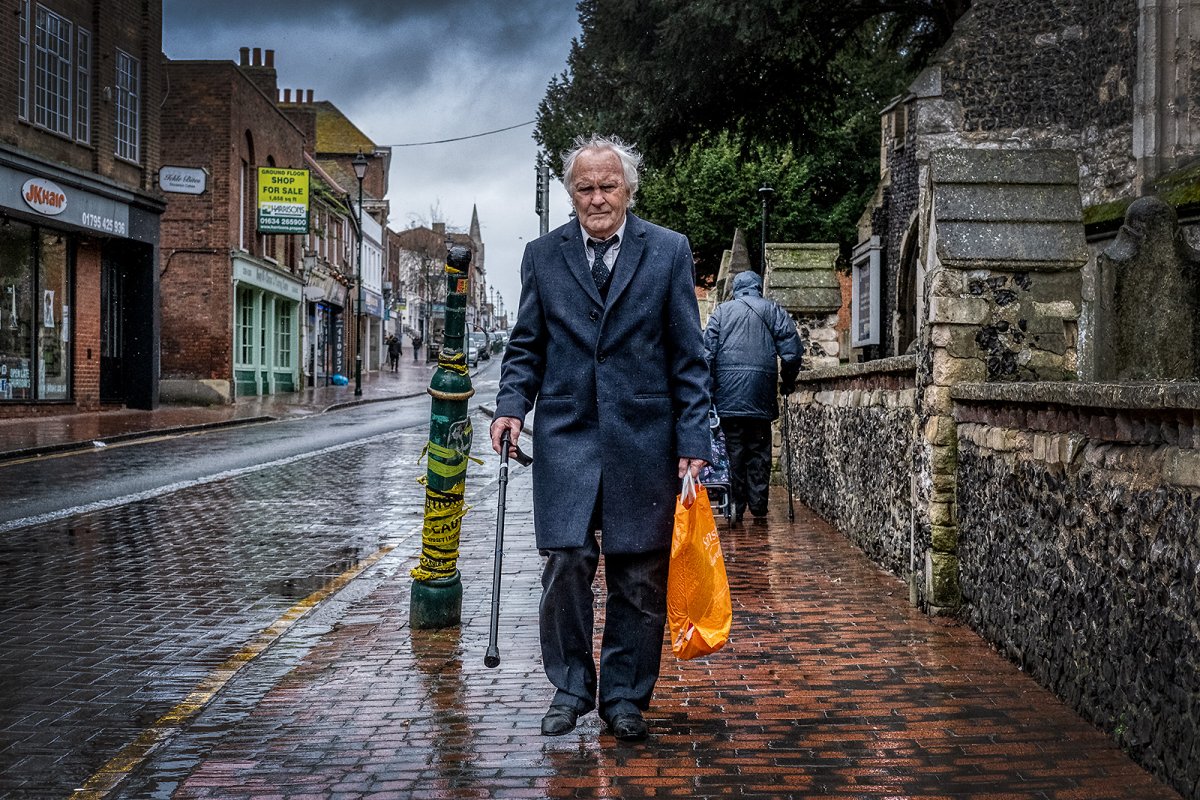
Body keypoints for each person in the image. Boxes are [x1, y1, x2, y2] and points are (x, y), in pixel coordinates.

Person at [490, 133, 710, 742]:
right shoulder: (543, 254)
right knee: (566, 562)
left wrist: (694, 438)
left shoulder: (667, 251)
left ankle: (625, 697)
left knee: (638, 572)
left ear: (628, 189)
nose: (596, 198)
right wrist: (511, 407)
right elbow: (526, 346)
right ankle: (570, 687)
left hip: (645, 437)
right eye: (584, 187)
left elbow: (688, 356)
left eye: (607, 185)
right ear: (570, 193)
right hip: (567, 435)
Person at [702, 270, 803, 525]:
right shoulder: (773, 310)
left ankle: (735, 504)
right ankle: (758, 506)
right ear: (759, 287)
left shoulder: (722, 313)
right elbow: (792, 353)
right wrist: (787, 383)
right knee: (759, 449)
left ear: (735, 289)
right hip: (761, 394)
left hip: (728, 396)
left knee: (732, 449)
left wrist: (710, 390)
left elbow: (706, 354)